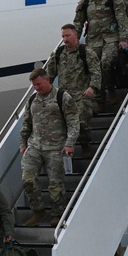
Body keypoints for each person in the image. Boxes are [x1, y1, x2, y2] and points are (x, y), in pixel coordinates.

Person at [20, 68, 79, 227]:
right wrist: (23, 144)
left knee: (55, 183)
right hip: (35, 146)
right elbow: (26, 124)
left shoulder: (63, 97)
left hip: (56, 147)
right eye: (34, 86)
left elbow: (73, 122)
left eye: (39, 84)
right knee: (27, 179)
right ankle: (38, 210)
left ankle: (57, 214)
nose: (37, 88)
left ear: (47, 80)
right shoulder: (32, 100)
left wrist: (69, 143)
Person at [73, 0, 128, 105]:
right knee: (93, 68)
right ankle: (100, 100)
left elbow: (123, 21)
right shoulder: (85, 3)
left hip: (111, 39)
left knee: (105, 63)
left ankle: (110, 89)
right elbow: (78, 24)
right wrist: (74, 41)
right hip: (93, 41)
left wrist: (123, 39)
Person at [46, 24, 101, 153]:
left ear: (75, 35)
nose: (65, 39)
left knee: (81, 122)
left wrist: (92, 87)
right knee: (61, 125)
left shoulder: (86, 52)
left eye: (67, 36)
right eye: (63, 36)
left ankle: (85, 144)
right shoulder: (58, 53)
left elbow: (96, 71)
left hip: (83, 95)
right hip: (65, 96)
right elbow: (50, 74)